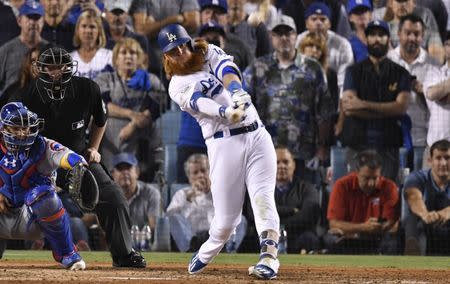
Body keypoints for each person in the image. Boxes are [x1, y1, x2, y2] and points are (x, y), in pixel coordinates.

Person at [158, 24, 280, 279]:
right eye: (173, 49)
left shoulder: (208, 51)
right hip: (224, 145)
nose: (180, 51)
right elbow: (199, 103)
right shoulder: (176, 85)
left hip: (257, 135)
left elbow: (227, 70)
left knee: (262, 198)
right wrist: (225, 112)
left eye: (182, 44)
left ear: (189, 42)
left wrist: (236, 91)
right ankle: (206, 252)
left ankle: (269, 258)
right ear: (166, 56)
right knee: (226, 221)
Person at [9, 46, 146, 268]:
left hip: (77, 160)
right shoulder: (24, 96)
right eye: (50, 67)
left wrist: (94, 147)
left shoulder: (87, 89)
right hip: (37, 163)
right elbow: (9, 132)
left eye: (60, 67)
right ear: (40, 69)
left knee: (113, 198)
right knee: (6, 198)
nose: (55, 73)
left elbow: (101, 119)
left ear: (68, 67)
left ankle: (124, 254)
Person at [244, 15, 334, 184]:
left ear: (296, 36)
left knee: (305, 203)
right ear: (271, 37)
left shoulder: (313, 68)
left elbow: (325, 112)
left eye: (288, 33)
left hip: (304, 151)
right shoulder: (257, 68)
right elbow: (243, 108)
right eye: (279, 34)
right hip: (266, 152)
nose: (284, 38)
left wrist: (322, 147)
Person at [0, 102, 86, 270]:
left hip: (32, 219)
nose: (22, 133)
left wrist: (78, 164)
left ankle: (68, 254)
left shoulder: (42, 146)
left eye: (26, 128)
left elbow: (67, 156)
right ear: (3, 128)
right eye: (16, 128)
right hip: (2, 216)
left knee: (44, 196)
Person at [336, 20, 411, 181]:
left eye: (381, 35)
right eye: (372, 35)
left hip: (388, 144)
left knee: (387, 194)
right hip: (357, 142)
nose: (377, 39)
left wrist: (362, 104)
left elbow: (401, 108)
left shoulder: (401, 72)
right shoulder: (353, 71)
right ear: (367, 39)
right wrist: (387, 110)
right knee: (355, 196)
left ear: (389, 39)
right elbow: (349, 108)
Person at [94, 38, 163, 180]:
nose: (128, 56)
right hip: (110, 140)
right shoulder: (105, 78)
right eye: (123, 52)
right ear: (115, 59)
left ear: (139, 58)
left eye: (133, 53)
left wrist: (133, 125)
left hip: (140, 140)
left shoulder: (150, 80)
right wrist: (132, 115)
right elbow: (103, 106)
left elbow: (156, 107)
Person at [387, 14, 442, 170]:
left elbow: (440, 107)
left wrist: (423, 91)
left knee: (420, 190)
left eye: (416, 34)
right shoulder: (388, 61)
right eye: (407, 33)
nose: (412, 38)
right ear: (398, 34)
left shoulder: (434, 65)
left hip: (423, 138)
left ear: (423, 36)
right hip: (392, 138)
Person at [167, 154, 247, 253]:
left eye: (203, 171)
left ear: (211, 172)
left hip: (218, 238)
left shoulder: (221, 192)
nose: (200, 175)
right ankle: (190, 250)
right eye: (195, 172)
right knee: (174, 217)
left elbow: (234, 213)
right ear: (189, 177)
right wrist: (190, 197)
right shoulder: (182, 194)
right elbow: (170, 218)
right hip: (193, 237)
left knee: (240, 219)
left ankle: (227, 249)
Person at [324, 150, 399, 254]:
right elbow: (333, 224)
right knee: (330, 239)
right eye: (366, 178)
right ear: (356, 172)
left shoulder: (389, 187)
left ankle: (387, 270)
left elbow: (393, 225)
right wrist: (363, 227)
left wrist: (381, 227)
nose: (371, 183)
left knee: (393, 240)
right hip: (349, 238)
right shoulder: (342, 186)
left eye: (375, 178)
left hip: (377, 238)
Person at [403, 139, 450, 255]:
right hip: (425, 227)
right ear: (430, 161)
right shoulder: (417, 177)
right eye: (438, 158)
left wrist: (443, 214)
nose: (443, 163)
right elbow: (413, 197)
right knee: (412, 220)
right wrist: (425, 215)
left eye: (447, 158)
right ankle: (413, 266)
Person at [295, 2, 354, 93]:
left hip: (333, 92)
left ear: (329, 24)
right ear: (306, 23)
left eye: (323, 19)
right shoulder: (298, 41)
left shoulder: (343, 45)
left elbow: (344, 80)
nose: (318, 23)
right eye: (314, 19)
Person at [274, 147, 321, 254]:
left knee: (310, 238)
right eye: (277, 162)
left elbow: (308, 216)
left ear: (294, 165)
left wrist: (278, 224)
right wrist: (291, 210)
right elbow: (255, 213)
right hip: (267, 234)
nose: (281, 166)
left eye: (286, 162)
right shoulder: (261, 189)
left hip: (298, 234)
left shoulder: (307, 188)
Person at [374, 0, 444, 63]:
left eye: (406, 1)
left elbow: (437, 54)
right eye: (398, 1)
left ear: (414, 2)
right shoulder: (378, 16)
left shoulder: (426, 15)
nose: (402, 5)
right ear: (390, 3)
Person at [0, 0, 47, 94]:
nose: (33, 22)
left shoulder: (50, 50)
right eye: (29, 17)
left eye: (36, 18)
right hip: (11, 105)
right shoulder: (5, 50)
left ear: (43, 21)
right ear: (19, 20)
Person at [111, 152, 160, 231]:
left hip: (143, 241)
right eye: (120, 168)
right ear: (112, 175)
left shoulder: (151, 193)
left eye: (128, 167)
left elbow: (154, 227)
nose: (125, 172)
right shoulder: (107, 195)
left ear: (137, 172)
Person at [70, 9, 112, 80]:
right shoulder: (69, 59)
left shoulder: (109, 56)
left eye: (92, 27)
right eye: (84, 26)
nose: (88, 31)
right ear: (77, 30)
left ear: (99, 31)